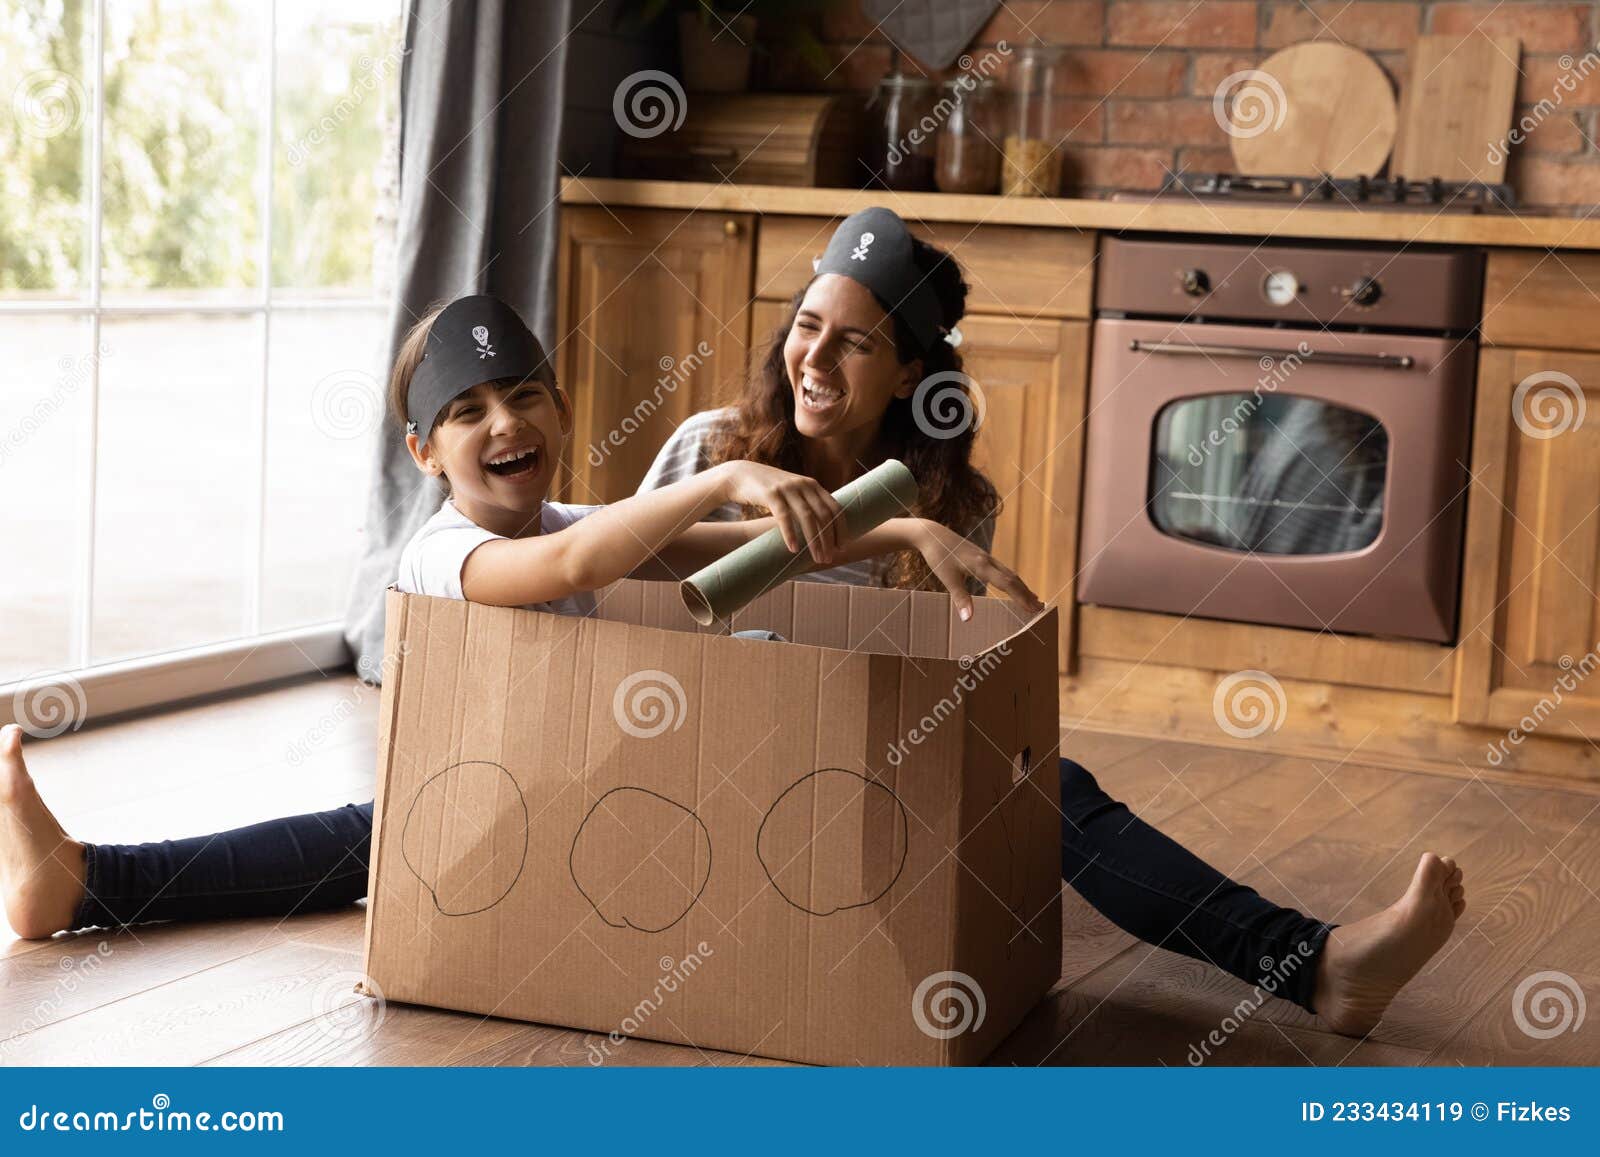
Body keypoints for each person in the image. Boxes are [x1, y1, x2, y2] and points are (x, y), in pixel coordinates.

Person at [627, 206, 1467, 1037]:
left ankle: (1315, 963)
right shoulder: (713, 451)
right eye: (807, 326)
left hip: (851, 767)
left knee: (1049, 787)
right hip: (704, 749)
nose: (813, 356)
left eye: (856, 341)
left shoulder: (956, 504)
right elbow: (621, 584)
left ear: (912, 373)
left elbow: (931, 680)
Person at [0, 292, 1034, 944]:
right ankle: (84, 880)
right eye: (469, 411)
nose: (506, 422)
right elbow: (573, 562)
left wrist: (898, 533)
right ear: (425, 453)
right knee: (337, 850)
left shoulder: (568, 518)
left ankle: (86, 880)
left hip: (555, 810)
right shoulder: (446, 550)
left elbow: (736, 558)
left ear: (561, 410)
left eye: (527, 394)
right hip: (470, 814)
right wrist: (730, 473)